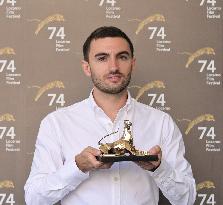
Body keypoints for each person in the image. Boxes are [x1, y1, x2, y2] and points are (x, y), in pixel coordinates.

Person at [24, 26, 196, 205]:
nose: (113, 67)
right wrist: (77, 167)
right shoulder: (56, 123)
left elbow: (187, 198)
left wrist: (160, 169)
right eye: (102, 58)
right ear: (87, 67)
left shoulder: (161, 122)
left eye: (122, 57)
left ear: (132, 64)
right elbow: (34, 199)